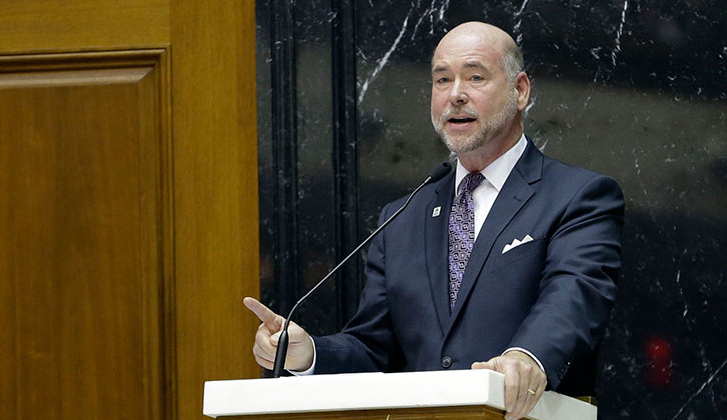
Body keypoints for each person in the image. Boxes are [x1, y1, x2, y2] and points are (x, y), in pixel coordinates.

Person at [244, 21, 624, 420]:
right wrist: (308, 353)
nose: (456, 94)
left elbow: (575, 295)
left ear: (520, 91)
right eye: (442, 80)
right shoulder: (401, 217)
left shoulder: (577, 195)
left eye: (475, 77)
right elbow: (375, 349)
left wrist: (527, 356)